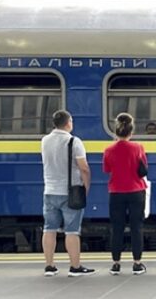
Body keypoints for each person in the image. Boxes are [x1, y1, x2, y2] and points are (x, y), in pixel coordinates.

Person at [41, 110, 95, 277]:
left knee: (49, 229)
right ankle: (75, 267)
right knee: (72, 230)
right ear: (68, 123)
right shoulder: (74, 141)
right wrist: (86, 187)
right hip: (70, 192)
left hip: (49, 191)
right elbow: (84, 168)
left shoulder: (45, 140)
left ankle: (50, 266)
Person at [102, 113, 149, 275]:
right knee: (137, 227)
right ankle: (137, 264)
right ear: (131, 131)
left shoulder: (108, 149)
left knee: (117, 228)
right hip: (136, 191)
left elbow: (107, 169)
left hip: (116, 192)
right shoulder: (138, 148)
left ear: (116, 131)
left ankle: (116, 264)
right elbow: (143, 168)